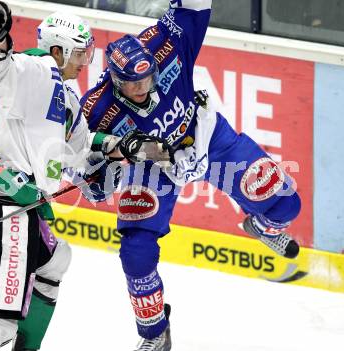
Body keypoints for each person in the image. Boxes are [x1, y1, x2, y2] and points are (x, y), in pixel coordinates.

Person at [0, 2, 167, 350]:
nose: (84, 62)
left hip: (17, 209)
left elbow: (79, 147)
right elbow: (2, 71)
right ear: (57, 49)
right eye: (79, 53)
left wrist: (124, 145)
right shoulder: (36, 70)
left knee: (55, 262)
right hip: (3, 208)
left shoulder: (68, 98)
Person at [81, 0, 302, 350]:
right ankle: (155, 334)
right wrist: (102, 166)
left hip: (207, 140)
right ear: (115, 80)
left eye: (148, 79)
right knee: (136, 253)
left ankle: (260, 227)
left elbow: (194, 4)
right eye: (134, 84)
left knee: (288, 205)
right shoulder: (96, 109)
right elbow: (88, 176)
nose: (144, 88)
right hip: (153, 169)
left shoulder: (166, 43)